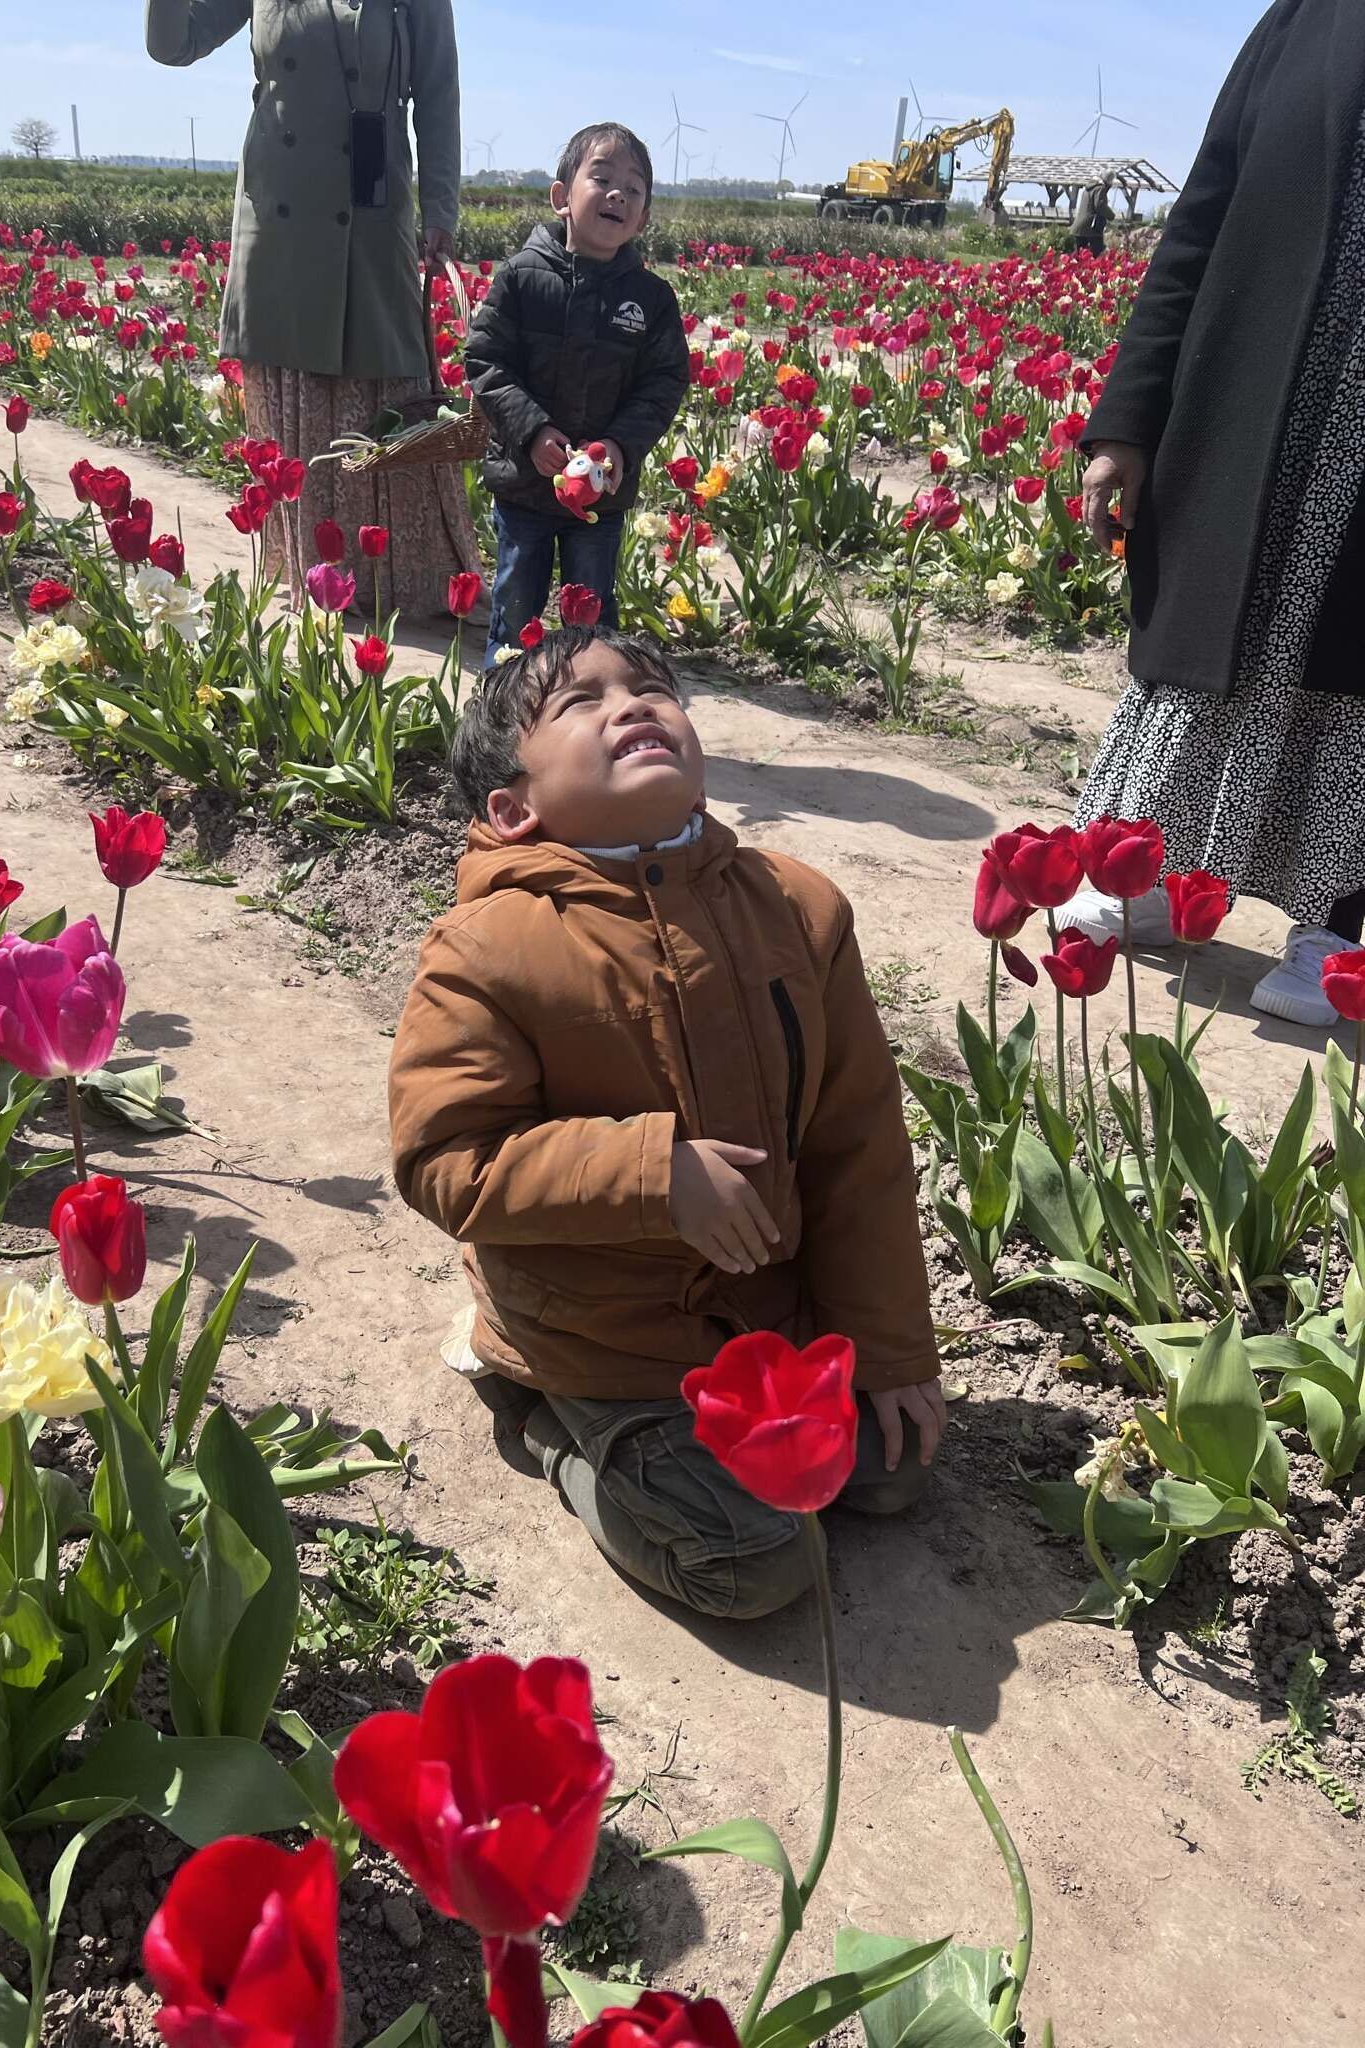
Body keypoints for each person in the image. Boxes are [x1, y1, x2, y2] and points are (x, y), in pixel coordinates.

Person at [388, 628, 946, 1619]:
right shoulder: (490, 948)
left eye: (651, 689)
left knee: (893, 1471)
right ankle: (554, 1424)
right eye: (582, 702)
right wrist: (653, 1174)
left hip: (768, 1323)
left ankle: (695, 1440)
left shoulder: (798, 907)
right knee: (755, 1563)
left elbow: (856, 1145)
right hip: (609, 1341)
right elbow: (445, 1158)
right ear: (512, 809)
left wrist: (889, 1344)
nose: (633, 705)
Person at [1061, 0, 1365, 1028]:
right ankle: (1149, 864)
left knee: (1351, 668)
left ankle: (1337, 927)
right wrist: (1126, 421)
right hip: (1253, 401)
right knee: (1209, 628)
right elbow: (1198, 220)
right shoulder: (1308, 20)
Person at [145, 0, 481, 618]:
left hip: (374, 215)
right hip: (279, 217)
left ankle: (396, 581)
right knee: (293, 385)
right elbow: (175, 45)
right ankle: (311, 572)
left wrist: (440, 211)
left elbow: (438, 95)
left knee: (384, 382)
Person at [464, 125, 688, 664]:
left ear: (644, 217)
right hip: (524, 483)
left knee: (591, 608)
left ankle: (587, 698)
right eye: (603, 178)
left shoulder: (651, 300)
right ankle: (506, 709)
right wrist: (533, 430)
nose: (618, 194)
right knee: (517, 606)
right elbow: (486, 359)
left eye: (634, 189)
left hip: (602, 491)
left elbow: (663, 383)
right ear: (562, 197)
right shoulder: (521, 278)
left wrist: (618, 446)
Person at [1069, 179, 1110, 256]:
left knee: (1080, 254)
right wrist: (1111, 215)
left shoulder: (1087, 189)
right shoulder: (1100, 188)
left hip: (1079, 227)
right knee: (1097, 253)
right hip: (1091, 227)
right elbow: (1099, 205)